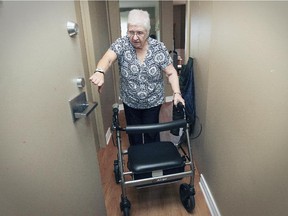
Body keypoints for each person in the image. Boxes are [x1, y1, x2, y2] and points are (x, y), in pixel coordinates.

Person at [90, 9, 185, 145]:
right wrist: (100, 71)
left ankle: (151, 161)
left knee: (151, 134)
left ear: (147, 32)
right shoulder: (122, 44)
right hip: (130, 101)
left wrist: (176, 93)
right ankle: (137, 160)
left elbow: (171, 72)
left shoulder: (158, 48)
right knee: (134, 134)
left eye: (139, 33)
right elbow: (108, 58)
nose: (134, 37)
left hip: (153, 102)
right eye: (131, 32)